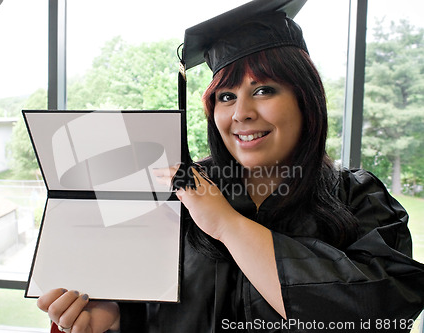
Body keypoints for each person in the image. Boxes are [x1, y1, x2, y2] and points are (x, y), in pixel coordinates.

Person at [36, 0, 424, 332]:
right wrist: (115, 319)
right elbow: (148, 309)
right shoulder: (177, 193)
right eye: (225, 96)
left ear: (306, 99)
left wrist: (227, 224)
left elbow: (377, 312)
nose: (241, 113)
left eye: (263, 90)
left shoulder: (357, 198)